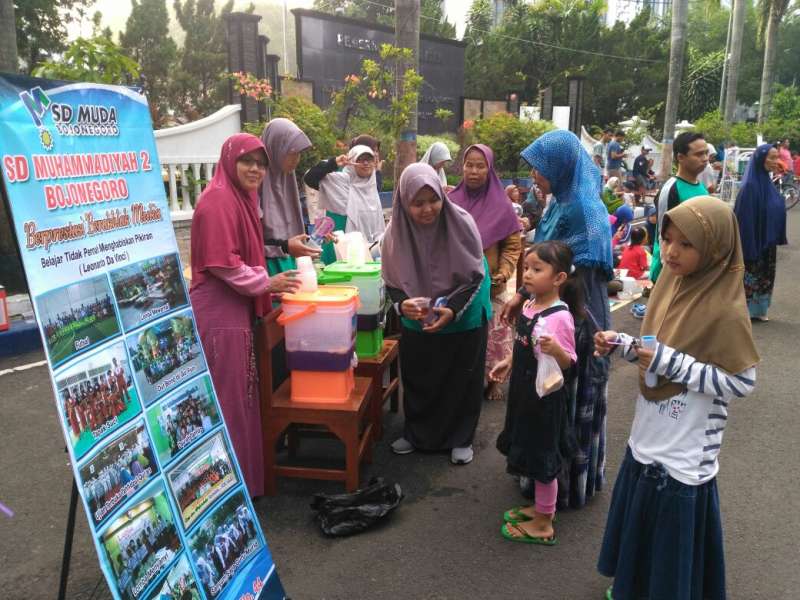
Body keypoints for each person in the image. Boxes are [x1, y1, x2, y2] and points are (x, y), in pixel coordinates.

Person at [594, 196, 759, 600]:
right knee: (644, 514)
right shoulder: (670, 285)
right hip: (650, 431)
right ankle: (635, 583)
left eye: (686, 244)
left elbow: (741, 382)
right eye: (667, 239)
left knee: (672, 528)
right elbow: (656, 348)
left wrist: (669, 363)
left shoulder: (726, 310)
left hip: (687, 445)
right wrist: (623, 344)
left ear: (715, 247)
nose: (670, 251)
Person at [504, 129, 613, 509]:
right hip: (546, 313)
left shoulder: (584, 207)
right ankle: (538, 478)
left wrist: (541, 307)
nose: (535, 175)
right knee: (542, 402)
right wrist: (523, 296)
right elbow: (543, 262)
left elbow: (577, 274)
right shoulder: (558, 201)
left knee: (567, 399)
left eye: (540, 168)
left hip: (576, 320)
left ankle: (562, 490)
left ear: (562, 167)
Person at [190, 133, 301, 497]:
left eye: (261, 163)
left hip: (234, 309)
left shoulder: (241, 197)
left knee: (243, 396)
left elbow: (247, 251)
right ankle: (226, 493)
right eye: (247, 161)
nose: (255, 169)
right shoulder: (218, 201)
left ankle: (242, 485)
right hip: (219, 313)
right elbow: (224, 265)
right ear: (229, 161)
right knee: (229, 401)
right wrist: (266, 283)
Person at [382, 162, 491, 465]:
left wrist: (452, 310)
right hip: (417, 318)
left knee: (461, 378)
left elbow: (475, 276)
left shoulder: (462, 223)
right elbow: (391, 282)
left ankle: (460, 437)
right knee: (419, 375)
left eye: (434, 200)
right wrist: (401, 304)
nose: (428, 209)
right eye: (418, 203)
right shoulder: (394, 234)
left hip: (463, 314)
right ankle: (417, 434)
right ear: (404, 202)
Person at [489, 241, 580, 545]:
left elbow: (570, 362)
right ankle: (540, 509)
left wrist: (557, 349)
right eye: (526, 268)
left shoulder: (560, 317)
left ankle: (545, 522)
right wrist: (508, 362)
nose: (527, 274)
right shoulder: (530, 306)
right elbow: (524, 344)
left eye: (537, 269)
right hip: (524, 392)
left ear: (559, 278)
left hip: (545, 398)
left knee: (543, 456)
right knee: (528, 444)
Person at [449, 144, 521, 402]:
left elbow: (512, 246)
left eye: (480, 166)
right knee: (462, 334)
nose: (474, 171)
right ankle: (464, 378)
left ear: (490, 169)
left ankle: (493, 380)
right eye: (469, 165)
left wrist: (503, 271)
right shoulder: (452, 201)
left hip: (491, 284)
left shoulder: (502, 205)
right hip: (457, 282)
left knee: (496, 334)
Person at [304, 145, 385, 264]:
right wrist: (335, 162)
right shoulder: (340, 183)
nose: (366, 163)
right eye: (361, 159)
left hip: (370, 252)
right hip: (341, 250)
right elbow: (310, 177)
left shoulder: (372, 187)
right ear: (352, 162)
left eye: (370, 159)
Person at [734, 143, 788, 321]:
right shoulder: (750, 186)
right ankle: (746, 310)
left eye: (776, 157)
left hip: (767, 242)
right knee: (751, 274)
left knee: (765, 275)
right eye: (771, 157)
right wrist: (748, 245)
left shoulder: (767, 182)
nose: (775, 161)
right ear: (759, 159)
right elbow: (742, 219)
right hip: (753, 242)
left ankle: (759, 310)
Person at [260, 118, 319, 276]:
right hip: (265, 265)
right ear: (275, 148)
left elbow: (293, 225)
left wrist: (315, 239)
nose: (296, 159)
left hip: (291, 261)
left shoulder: (288, 180)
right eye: (291, 153)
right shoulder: (256, 183)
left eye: (299, 154)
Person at [649, 131, 710, 283]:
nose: (705, 159)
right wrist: (665, 275)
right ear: (680, 158)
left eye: (706, 153)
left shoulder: (701, 187)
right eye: (698, 154)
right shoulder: (671, 189)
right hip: (672, 271)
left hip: (694, 269)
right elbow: (662, 235)